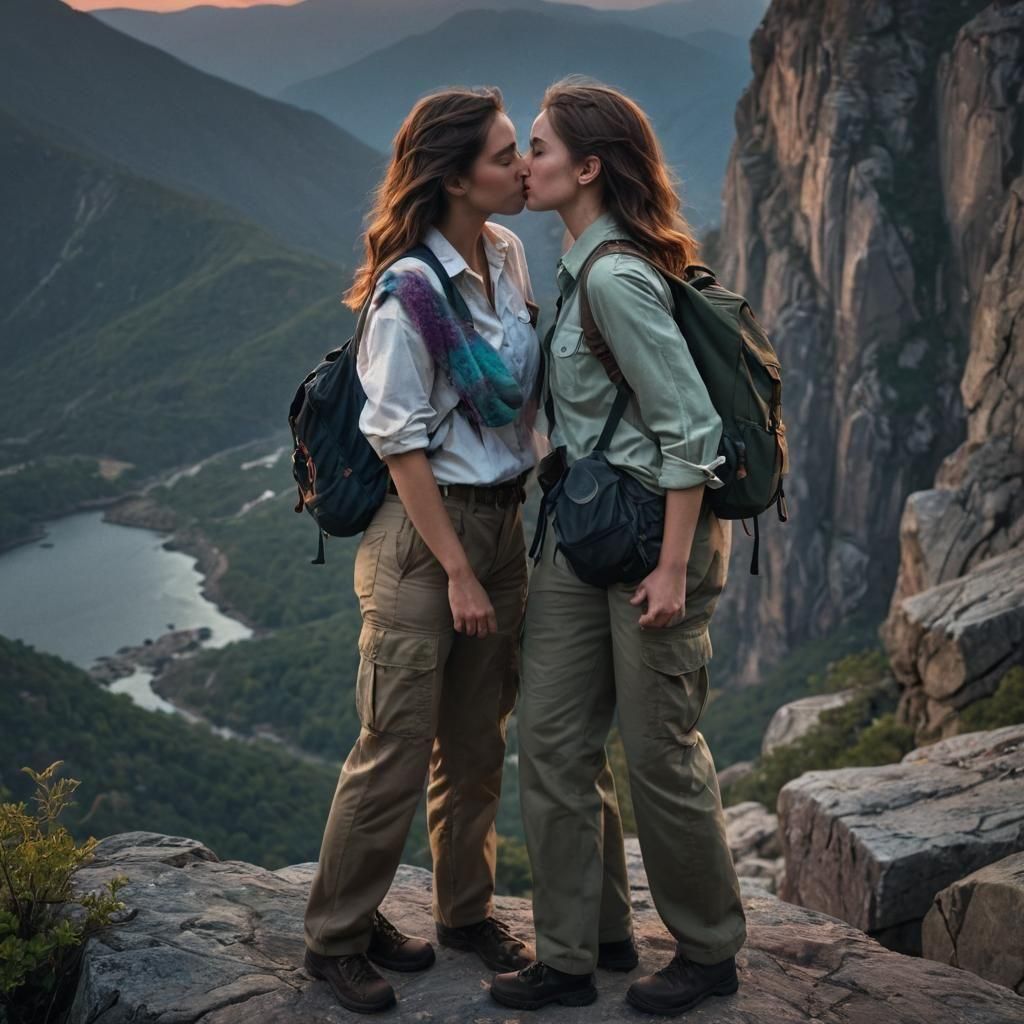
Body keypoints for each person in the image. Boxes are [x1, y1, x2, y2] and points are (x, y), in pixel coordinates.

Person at [490, 77, 747, 1016]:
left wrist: (675, 567)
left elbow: (691, 431)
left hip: (651, 540)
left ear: (588, 168)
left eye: (543, 149)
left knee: (658, 753)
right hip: (579, 533)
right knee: (553, 743)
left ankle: (710, 950)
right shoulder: (575, 266)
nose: (526, 164)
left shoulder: (615, 276)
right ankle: (576, 950)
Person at [302, 86, 541, 1015]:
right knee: (396, 745)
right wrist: (456, 570)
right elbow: (398, 441)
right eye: (504, 155)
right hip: (424, 536)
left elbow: (521, 405)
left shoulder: (511, 251)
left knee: (478, 743)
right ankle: (334, 938)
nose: (524, 167)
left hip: (501, 518)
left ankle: (464, 913)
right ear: (452, 177)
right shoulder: (408, 293)